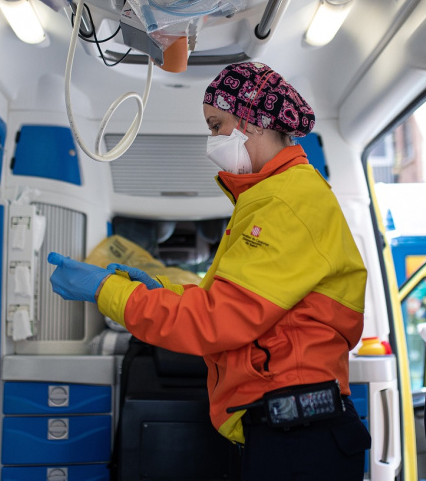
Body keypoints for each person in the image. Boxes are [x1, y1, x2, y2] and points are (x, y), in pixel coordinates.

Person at [46, 61, 371, 480]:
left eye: (217, 125)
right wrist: (161, 291)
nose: (212, 141)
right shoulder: (272, 197)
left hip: (299, 433)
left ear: (252, 120)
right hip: (289, 427)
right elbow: (234, 303)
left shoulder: (286, 202)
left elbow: (218, 321)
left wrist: (106, 290)